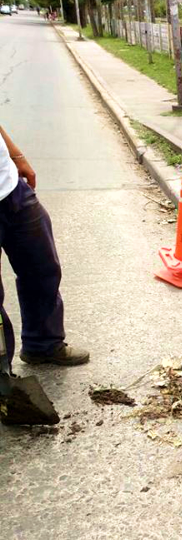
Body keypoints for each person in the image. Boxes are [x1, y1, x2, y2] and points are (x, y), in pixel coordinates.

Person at [0, 125, 89, 367]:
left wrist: (16, 155)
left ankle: (43, 345)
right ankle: (2, 375)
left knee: (41, 268)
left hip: (11, 189)